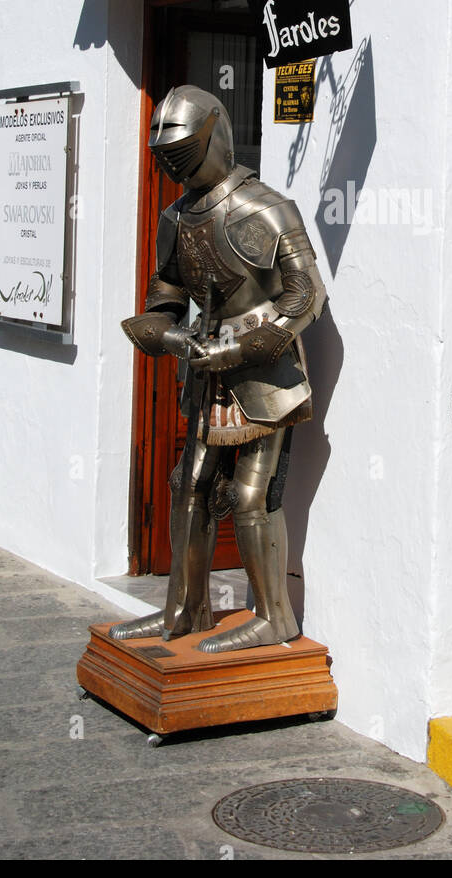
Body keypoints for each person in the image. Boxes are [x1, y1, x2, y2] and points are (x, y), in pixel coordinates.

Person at [112, 84, 325, 652]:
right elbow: (165, 299)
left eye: (181, 149)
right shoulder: (177, 217)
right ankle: (185, 610)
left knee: (251, 496)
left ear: (214, 136)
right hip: (205, 373)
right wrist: (173, 337)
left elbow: (305, 296)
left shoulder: (263, 207)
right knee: (189, 485)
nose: (174, 163)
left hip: (263, 369)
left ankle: (274, 615)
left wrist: (237, 349)